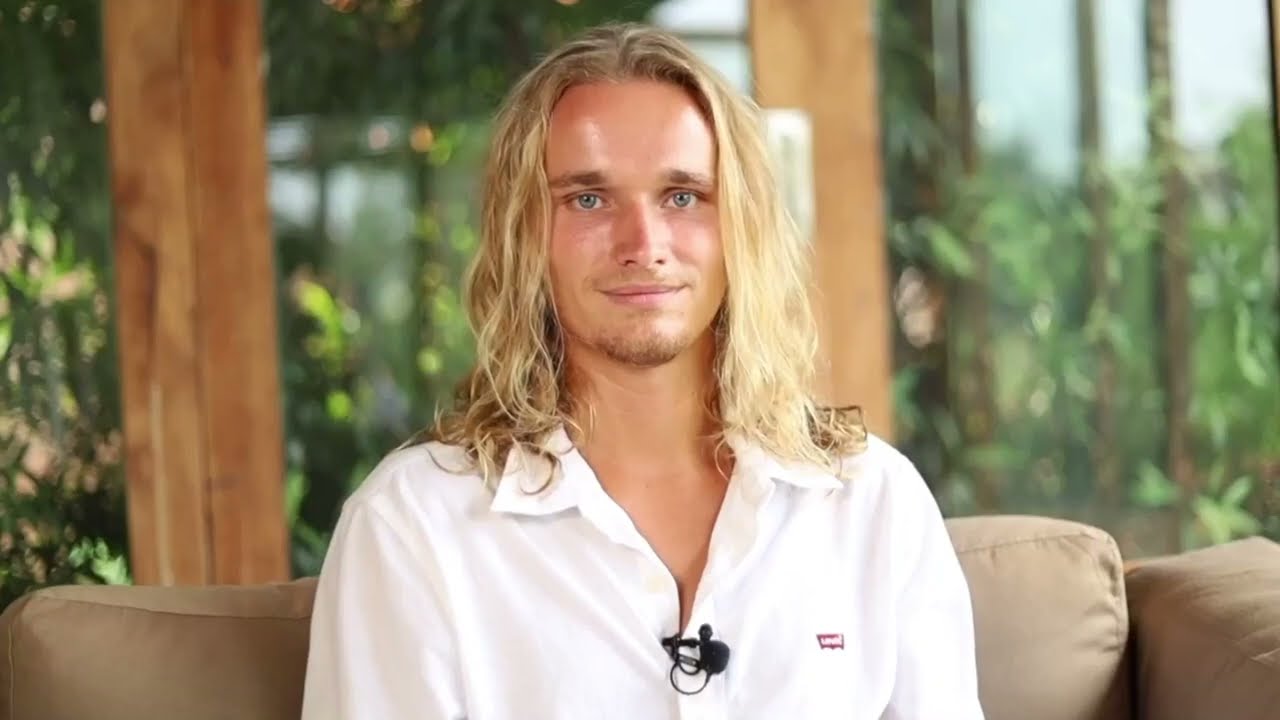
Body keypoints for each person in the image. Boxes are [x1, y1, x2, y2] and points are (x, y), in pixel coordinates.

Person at [301, 22, 984, 720]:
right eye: (588, 199)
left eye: (682, 196)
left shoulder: (872, 503)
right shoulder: (411, 528)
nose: (643, 244)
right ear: (523, 236)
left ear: (741, 226)